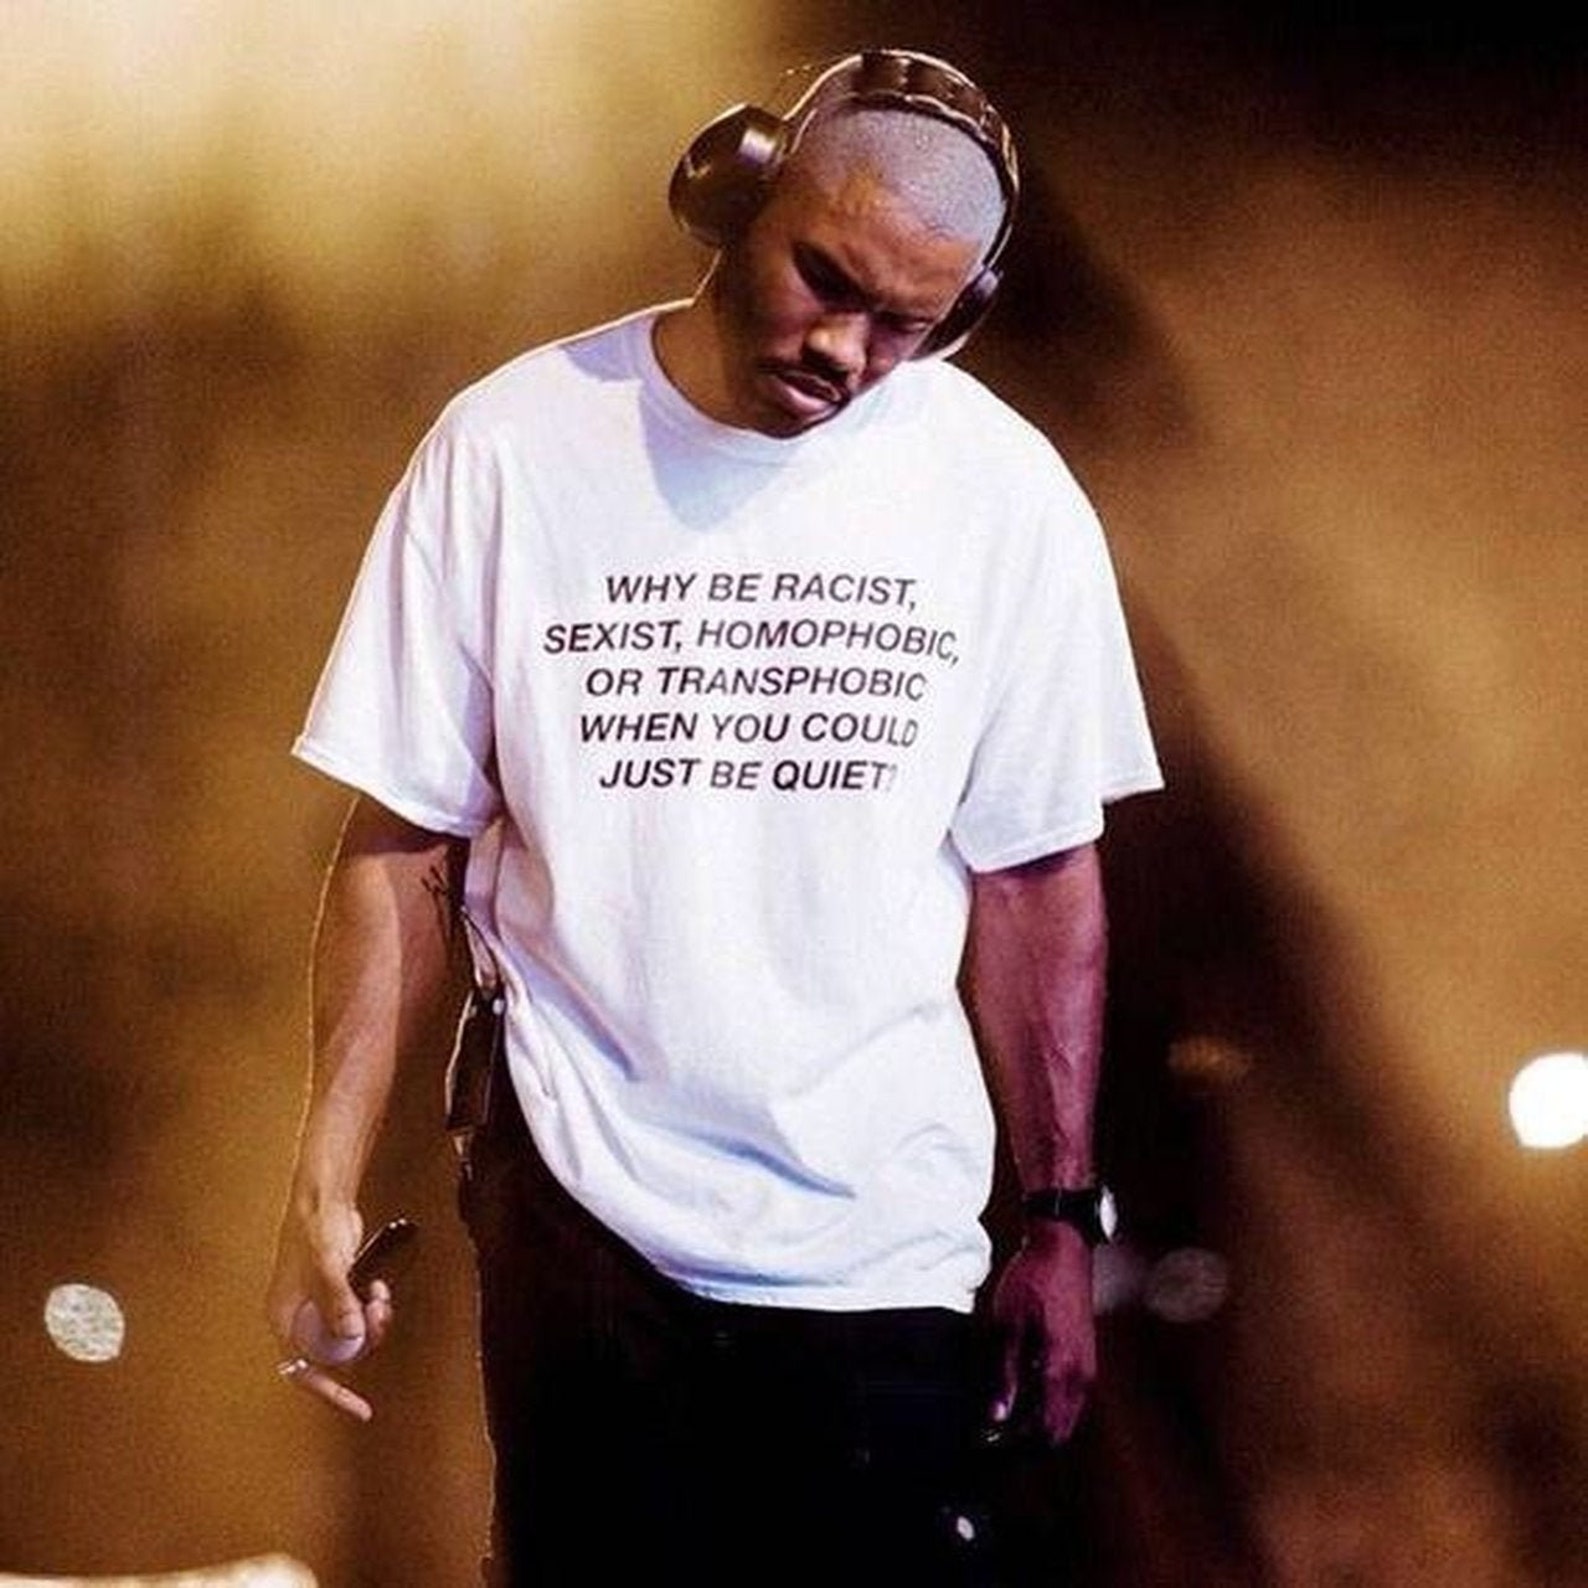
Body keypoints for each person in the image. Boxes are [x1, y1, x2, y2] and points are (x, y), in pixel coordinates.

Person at [265, 47, 1161, 1586]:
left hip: (883, 1249)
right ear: (735, 197)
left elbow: (1037, 878)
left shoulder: (1005, 496)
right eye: (827, 281)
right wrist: (322, 1179)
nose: (848, 351)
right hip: (579, 1222)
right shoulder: (510, 449)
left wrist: (1061, 1222)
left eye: (907, 325)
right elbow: (403, 845)